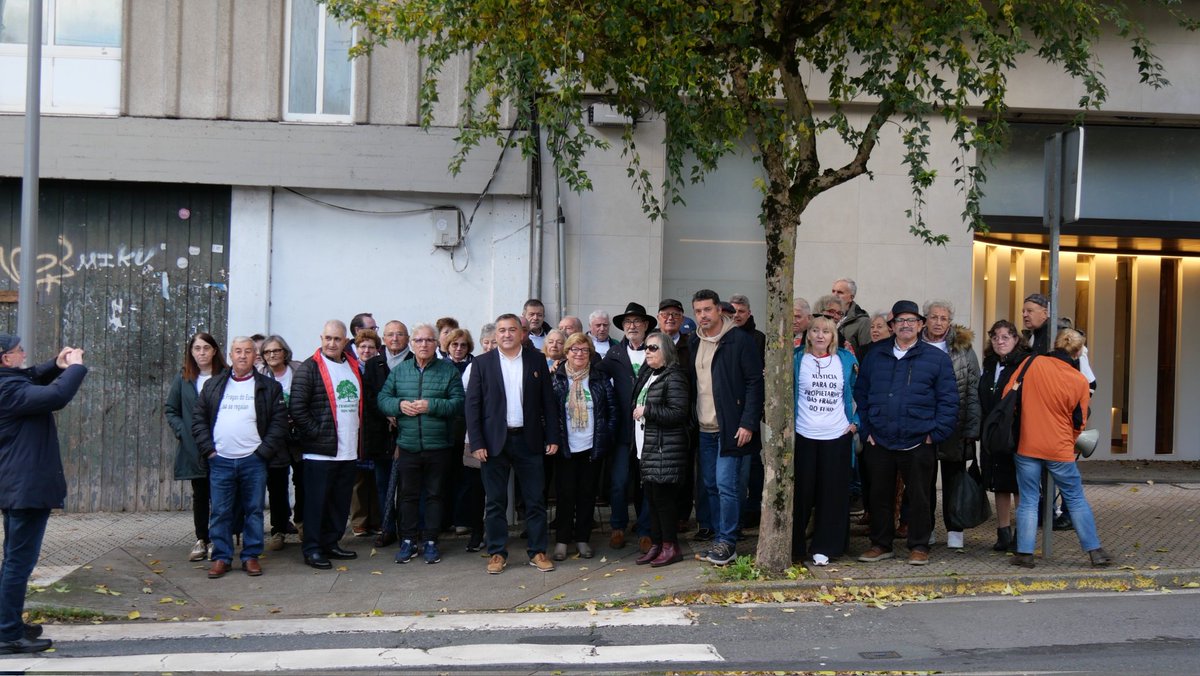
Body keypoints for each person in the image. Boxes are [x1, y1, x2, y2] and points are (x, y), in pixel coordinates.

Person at [854, 300, 958, 566]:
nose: (906, 325)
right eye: (900, 321)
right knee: (879, 494)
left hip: (919, 439)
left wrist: (934, 433)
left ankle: (919, 545)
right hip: (880, 438)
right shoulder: (874, 355)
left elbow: (949, 401)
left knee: (921, 496)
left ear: (920, 325)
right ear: (892, 326)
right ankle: (880, 544)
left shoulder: (937, 358)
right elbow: (861, 394)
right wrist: (866, 429)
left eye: (912, 320)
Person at [0, 336, 86, 655]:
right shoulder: (7, 389)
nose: (23, 353)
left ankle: (6, 622)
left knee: (14, 560)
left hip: (20, 487)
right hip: (25, 488)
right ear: (5, 360)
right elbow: (56, 395)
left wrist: (56, 364)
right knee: (18, 563)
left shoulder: (10, 380)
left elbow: (32, 376)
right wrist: (75, 367)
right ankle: (7, 634)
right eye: (17, 351)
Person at [465, 314, 561, 574]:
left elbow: (548, 403)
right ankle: (496, 552)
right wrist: (477, 442)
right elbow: (473, 406)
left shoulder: (536, 360)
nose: (506, 334)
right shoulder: (482, 363)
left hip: (529, 440)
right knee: (495, 501)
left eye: (512, 330)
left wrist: (552, 436)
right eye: (502, 330)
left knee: (535, 500)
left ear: (522, 333)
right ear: (495, 335)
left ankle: (538, 551)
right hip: (494, 442)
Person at [1007, 329, 1112, 569]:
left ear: (1055, 344)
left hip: (1028, 444)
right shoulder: (1079, 381)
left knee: (1029, 500)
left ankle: (1024, 553)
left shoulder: (1031, 363)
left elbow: (1008, 396)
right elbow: (1080, 422)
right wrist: (1068, 438)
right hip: (1060, 448)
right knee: (1075, 499)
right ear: (1077, 353)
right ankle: (1095, 551)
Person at [191, 337, 288, 579]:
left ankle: (251, 556)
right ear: (230, 355)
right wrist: (209, 451)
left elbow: (278, 424)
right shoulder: (213, 385)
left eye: (248, 351)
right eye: (238, 351)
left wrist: (262, 453)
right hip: (220, 460)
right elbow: (199, 421)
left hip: (253, 460)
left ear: (256, 356)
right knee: (221, 511)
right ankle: (222, 557)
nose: (243, 356)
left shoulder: (269, 386)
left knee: (254, 510)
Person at [377, 324, 465, 565]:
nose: (423, 344)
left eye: (428, 340)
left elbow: (458, 403)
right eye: (419, 340)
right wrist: (399, 406)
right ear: (411, 343)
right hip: (408, 445)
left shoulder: (448, 371)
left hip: (439, 445)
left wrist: (432, 405)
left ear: (437, 343)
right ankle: (408, 541)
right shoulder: (400, 371)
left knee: (435, 495)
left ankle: (431, 541)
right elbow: (383, 399)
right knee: (407, 496)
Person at [689, 289, 764, 566]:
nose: (703, 316)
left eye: (707, 310)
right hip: (705, 427)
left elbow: (756, 383)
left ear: (719, 310)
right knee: (710, 484)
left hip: (732, 427)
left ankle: (728, 542)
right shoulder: (694, 342)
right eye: (697, 311)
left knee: (726, 485)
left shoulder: (739, 341)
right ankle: (721, 538)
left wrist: (748, 422)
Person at [290, 320, 362, 570]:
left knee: (339, 502)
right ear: (321, 338)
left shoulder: (352, 366)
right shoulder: (309, 369)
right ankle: (312, 548)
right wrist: (317, 433)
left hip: (348, 448)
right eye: (328, 338)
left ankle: (331, 542)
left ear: (345, 341)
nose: (332, 343)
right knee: (316, 503)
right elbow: (297, 408)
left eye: (337, 339)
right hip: (320, 452)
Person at [791, 316, 859, 566]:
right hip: (804, 435)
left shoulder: (846, 359)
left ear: (834, 336)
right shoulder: (796, 359)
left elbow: (858, 391)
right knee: (801, 494)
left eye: (826, 332)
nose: (820, 336)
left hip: (837, 435)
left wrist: (856, 424)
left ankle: (826, 547)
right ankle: (796, 547)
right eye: (815, 331)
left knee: (833, 495)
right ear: (808, 335)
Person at [920, 300, 981, 551]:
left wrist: (972, 429)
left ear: (949, 321)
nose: (938, 322)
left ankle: (955, 530)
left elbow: (974, 389)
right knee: (924, 481)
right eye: (934, 317)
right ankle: (927, 528)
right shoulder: (916, 343)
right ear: (925, 319)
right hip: (923, 424)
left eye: (943, 318)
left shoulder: (963, 348)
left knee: (954, 479)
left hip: (956, 423)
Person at [550, 333, 616, 560]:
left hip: (591, 446)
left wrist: (606, 435)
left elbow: (611, 411)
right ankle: (562, 540)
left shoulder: (599, 378)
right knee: (565, 495)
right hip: (565, 448)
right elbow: (546, 413)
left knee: (587, 495)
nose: (579, 354)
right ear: (566, 353)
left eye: (584, 350)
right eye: (574, 350)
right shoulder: (556, 379)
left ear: (590, 353)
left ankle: (582, 539)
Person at [165, 332, 228, 562]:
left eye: (206, 348)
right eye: (197, 348)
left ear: (214, 351)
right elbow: (171, 409)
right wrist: (182, 431)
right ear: (191, 352)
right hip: (194, 447)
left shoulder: (225, 376)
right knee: (200, 494)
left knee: (221, 495)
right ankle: (202, 539)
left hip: (222, 445)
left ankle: (220, 539)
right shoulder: (184, 377)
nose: (201, 353)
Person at [601, 301, 658, 552]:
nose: (632, 326)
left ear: (646, 325)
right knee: (619, 481)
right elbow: (594, 377)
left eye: (637, 321)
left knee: (647, 482)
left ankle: (645, 530)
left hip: (650, 429)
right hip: (623, 431)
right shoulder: (613, 354)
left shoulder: (656, 351)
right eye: (627, 322)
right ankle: (617, 527)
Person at [631, 331, 691, 568]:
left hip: (665, 448)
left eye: (653, 348)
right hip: (648, 447)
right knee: (652, 499)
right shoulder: (650, 375)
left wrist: (647, 411)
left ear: (666, 351)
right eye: (646, 347)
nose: (647, 351)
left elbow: (678, 414)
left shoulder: (674, 377)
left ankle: (670, 546)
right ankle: (657, 544)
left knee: (663, 501)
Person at [978, 319, 1031, 552]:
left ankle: (1022, 535)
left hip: (1015, 432)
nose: (1000, 342)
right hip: (992, 432)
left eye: (1005, 337)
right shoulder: (989, 364)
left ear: (1015, 340)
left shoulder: (1024, 364)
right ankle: (1003, 533)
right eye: (995, 337)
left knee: (1017, 484)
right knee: (998, 483)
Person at [257, 335, 303, 551]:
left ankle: (302, 523)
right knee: (277, 484)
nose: (272, 355)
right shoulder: (259, 375)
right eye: (267, 352)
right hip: (273, 437)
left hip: (298, 436)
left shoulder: (299, 370)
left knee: (302, 481)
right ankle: (279, 528)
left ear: (285, 351)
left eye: (276, 351)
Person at [359, 329, 397, 547]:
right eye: (391, 334)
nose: (395, 338)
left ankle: (410, 529)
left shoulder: (413, 360)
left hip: (407, 431)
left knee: (409, 486)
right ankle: (387, 528)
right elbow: (369, 395)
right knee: (382, 484)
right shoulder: (374, 364)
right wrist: (387, 412)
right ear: (384, 339)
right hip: (381, 435)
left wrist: (399, 412)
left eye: (400, 334)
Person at [349, 330, 383, 538]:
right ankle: (359, 521)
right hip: (356, 427)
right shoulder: (350, 369)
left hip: (377, 426)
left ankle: (377, 519)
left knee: (377, 476)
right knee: (359, 478)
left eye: (370, 347)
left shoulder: (380, 367)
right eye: (363, 347)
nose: (366, 350)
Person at [831, 278, 872, 353]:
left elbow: (866, 353)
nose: (834, 295)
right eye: (833, 291)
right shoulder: (825, 317)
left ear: (851, 297)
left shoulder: (863, 322)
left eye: (840, 292)